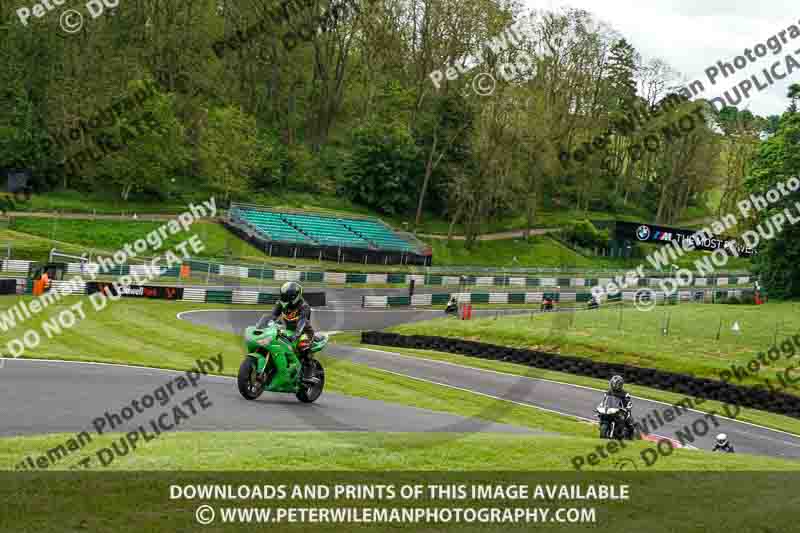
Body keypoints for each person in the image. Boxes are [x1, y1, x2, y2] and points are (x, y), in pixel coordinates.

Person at [264, 281, 318, 383]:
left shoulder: (304, 307)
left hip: (304, 332)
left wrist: (296, 335)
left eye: (286, 297)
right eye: (283, 296)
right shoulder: (281, 303)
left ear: (295, 297)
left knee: (303, 345)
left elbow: (302, 322)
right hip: (288, 331)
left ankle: (309, 372)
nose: (284, 299)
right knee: (275, 341)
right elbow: (273, 316)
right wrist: (265, 325)